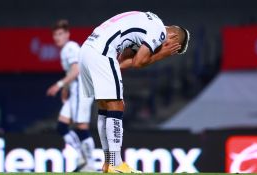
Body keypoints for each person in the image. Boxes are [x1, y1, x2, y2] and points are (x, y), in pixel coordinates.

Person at [78, 11, 190, 173]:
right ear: (172, 36)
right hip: (102, 52)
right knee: (117, 106)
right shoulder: (158, 32)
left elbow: (122, 62)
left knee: (105, 106)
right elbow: (138, 63)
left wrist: (155, 53)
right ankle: (116, 164)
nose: (168, 50)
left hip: (87, 51)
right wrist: (162, 55)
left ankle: (109, 163)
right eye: (173, 47)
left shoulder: (149, 23)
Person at [46, 19, 96, 172]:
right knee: (61, 126)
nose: (57, 37)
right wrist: (66, 89)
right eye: (55, 34)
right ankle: (82, 158)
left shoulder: (70, 47)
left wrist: (59, 85)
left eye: (60, 34)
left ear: (67, 34)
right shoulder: (66, 50)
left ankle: (90, 164)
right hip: (75, 90)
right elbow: (71, 72)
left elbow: (76, 70)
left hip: (82, 90)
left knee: (81, 127)